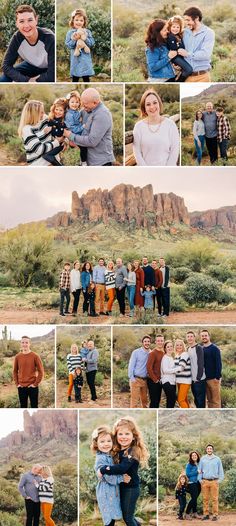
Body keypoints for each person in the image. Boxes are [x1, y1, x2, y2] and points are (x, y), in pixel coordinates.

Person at [98, 416, 149, 526]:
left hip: (131, 489)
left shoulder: (133, 450)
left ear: (134, 436)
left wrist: (104, 469)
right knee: (128, 516)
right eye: (120, 434)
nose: (123, 437)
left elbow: (122, 468)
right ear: (116, 436)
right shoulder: (118, 450)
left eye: (127, 434)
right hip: (121, 487)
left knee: (128, 518)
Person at [0, 5, 55, 82]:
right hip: (30, 65)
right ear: (17, 24)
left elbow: (52, 74)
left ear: (36, 20)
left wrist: (36, 81)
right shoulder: (17, 38)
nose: (26, 25)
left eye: (30, 20)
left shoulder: (49, 38)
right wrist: (26, 80)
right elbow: (6, 66)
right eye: (22, 21)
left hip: (48, 69)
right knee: (3, 79)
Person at [91, 425, 130, 526]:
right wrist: (121, 478)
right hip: (105, 491)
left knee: (112, 517)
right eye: (102, 441)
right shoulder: (101, 459)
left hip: (111, 491)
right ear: (96, 443)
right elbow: (108, 477)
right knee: (109, 518)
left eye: (108, 441)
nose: (106, 444)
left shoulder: (108, 455)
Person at [64, 88, 115, 166]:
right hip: (89, 161)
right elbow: (71, 119)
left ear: (95, 103)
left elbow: (92, 141)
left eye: (85, 104)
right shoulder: (86, 110)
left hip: (100, 162)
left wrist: (70, 135)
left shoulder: (102, 115)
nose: (83, 106)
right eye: (82, 103)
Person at [133, 89, 179, 166]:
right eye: (148, 104)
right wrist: (146, 171)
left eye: (155, 103)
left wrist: (167, 171)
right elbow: (137, 152)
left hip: (167, 172)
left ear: (159, 104)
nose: (152, 107)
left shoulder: (170, 125)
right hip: (146, 173)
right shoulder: (139, 127)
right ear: (144, 108)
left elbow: (174, 150)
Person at [18, 100, 64, 165]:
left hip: (55, 162)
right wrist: (57, 142)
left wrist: (65, 140)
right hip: (40, 166)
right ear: (34, 114)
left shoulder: (44, 119)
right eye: (41, 112)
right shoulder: (27, 129)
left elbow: (61, 127)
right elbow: (40, 149)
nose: (44, 114)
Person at [182, 6, 215, 82]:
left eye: (188, 20)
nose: (186, 23)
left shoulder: (208, 33)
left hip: (202, 77)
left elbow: (205, 54)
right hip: (186, 76)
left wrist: (187, 54)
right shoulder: (184, 32)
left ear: (196, 18)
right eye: (185, 20)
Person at [13, 335, 44, 408]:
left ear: (29, 344)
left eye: (26, 342)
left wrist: (35, 384)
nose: (24, 344)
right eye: (23, 342)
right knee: (23, 407)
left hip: (33, 387)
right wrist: (17, 384)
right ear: (21, 344)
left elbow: (41, 371)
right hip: (21, 387)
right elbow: (14, 371)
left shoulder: (35, 356)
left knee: (34, 406)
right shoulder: (17, 357)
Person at [65, 8, 95, 82]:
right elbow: (68, 45)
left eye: (81, 20)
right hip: (76, 59)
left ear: (84, 22)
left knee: (86, 78)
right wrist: (75, 39)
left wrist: (85, 39)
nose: (79, 22)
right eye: (77, 20)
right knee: (75, 78)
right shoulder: (70, 33)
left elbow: (91, 43)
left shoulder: (87, 32)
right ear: (73, 21)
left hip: (85, 60)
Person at [198, 444, 224, 521]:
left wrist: (219, 481)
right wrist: (200, 480)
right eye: (208, 449)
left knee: (214, 499)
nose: (209, 450)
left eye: (210, 449)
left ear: (212, 450)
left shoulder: (217, 459)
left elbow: (221, 471)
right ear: (206, 450)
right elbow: (200, 470)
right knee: (205, 499)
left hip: (214, 481)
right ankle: (206, 515)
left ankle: (215, 515)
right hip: (205, 481)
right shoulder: (203, 459)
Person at [64, 90, 88, 166]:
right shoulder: (69, 115)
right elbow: (72, 128)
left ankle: (81, 161)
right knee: (83, 147)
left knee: (83, 148)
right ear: (68, 103)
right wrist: (82, 127)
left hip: (78, 133)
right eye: (72, 102)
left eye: (77, 102)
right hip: (74, 134)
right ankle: (83, 163)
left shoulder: (76, 111)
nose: (75, 104)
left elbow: (78, 115)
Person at [167, 16, 193, 81]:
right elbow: (174, 49)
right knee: (189, 70)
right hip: (175, 57)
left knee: (185, 70)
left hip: (179, 57)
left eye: (178, 27)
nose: (175, 29)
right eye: (173, 27)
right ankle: (179, 81)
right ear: (170, 27)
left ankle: (177, 79)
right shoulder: (171, 36)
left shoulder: (178, 36)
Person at [200, 330, 222, 408]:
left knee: (216, 400)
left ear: (209, 336)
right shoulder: (201, 349)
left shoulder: (215, 348)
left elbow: (218, 363)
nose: (204, 337)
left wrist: (217, 377)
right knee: (209, 400)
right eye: (202, 336)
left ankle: (217, 417)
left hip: (214, 379)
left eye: (205, 335)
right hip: (205, 379)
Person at [128, 335, 151, 408]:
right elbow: (131, 365)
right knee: (134, 402)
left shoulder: (151, 353)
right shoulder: (136, 352)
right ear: (142, 343)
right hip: (136, 379)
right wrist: (132, 378)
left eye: (148, 341)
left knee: (145, 402)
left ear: (150, 343)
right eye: (145, 341)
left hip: (145, 381)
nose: (146, 343)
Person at [186, 331, 206, 408]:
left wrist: (198, 378)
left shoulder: (199, 348)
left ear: (194, 338)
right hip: (192, 380)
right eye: (188, 336)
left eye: (191, 336)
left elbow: (201, 363)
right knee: (196, 400)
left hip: (199, 379)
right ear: (186, 338)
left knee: (201, 402)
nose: (190, 338)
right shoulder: (188, 349)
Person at [147, 334, 164, 408]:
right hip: (153, 381)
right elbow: (148, 368)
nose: (160, 342)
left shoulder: (163, 353)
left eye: (161, 341)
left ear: (163, 342)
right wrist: (155, 380)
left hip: (160, 381)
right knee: (154, 401)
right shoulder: (152, 353)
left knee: (157, 401)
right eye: (158, 341)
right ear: (155, 342)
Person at [161, 340, 179, 408]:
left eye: (171, 346)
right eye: (168, 347)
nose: (170, 348)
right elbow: (165, 370)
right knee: (172, 399)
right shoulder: (165, 358)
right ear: (165, 348)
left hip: (172, 382)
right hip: (167, 382)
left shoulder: (171, 357)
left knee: (171, 400)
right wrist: (177, 369)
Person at [174, 339, 192, 408]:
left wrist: (169, 370)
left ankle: (186, 416)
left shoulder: (184, 354)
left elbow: (181, 368)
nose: (179, 347)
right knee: (184, 399)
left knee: (180, 400)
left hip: (185, 381)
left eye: (180, 345)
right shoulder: (177, 355)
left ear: (183, 346)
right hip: (179, 381)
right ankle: (189, 414)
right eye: (177, 345)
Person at [185, 451, 201, 520]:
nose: (194, 456)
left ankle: (195, 513)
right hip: (192, 483)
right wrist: (196, 472)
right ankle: (187, 513)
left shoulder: (199, 464)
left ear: (197, 456)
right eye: (193, 455)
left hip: (198, 483)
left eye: (195, 455)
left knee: (195, 499)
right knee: (193, 498)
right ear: (191, 457)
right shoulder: (189, 465)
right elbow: (188, 474)